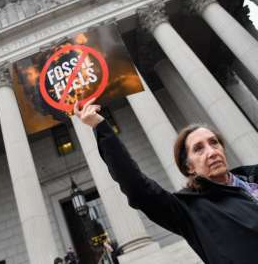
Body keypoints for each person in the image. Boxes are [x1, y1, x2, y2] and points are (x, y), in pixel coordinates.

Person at [74, 98, 258, 264]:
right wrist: (100, 127)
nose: (212, 152)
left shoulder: (253, 176)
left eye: (214, 143)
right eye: (199, 149)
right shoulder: (190, 210)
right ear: (189, 167)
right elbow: (137, 187)